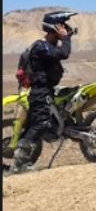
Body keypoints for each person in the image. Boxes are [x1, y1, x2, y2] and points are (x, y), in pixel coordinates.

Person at [11, 13, 75, 172]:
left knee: (41, 122)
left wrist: (67, 37)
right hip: (39, 90)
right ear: (55, 28)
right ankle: (18, 164)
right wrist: (66, 38)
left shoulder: (49, 45)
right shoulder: (41, 46)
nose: (65, 29)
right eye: (62, 26)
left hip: (46, 89)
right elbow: (64, 54)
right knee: (41, 123)